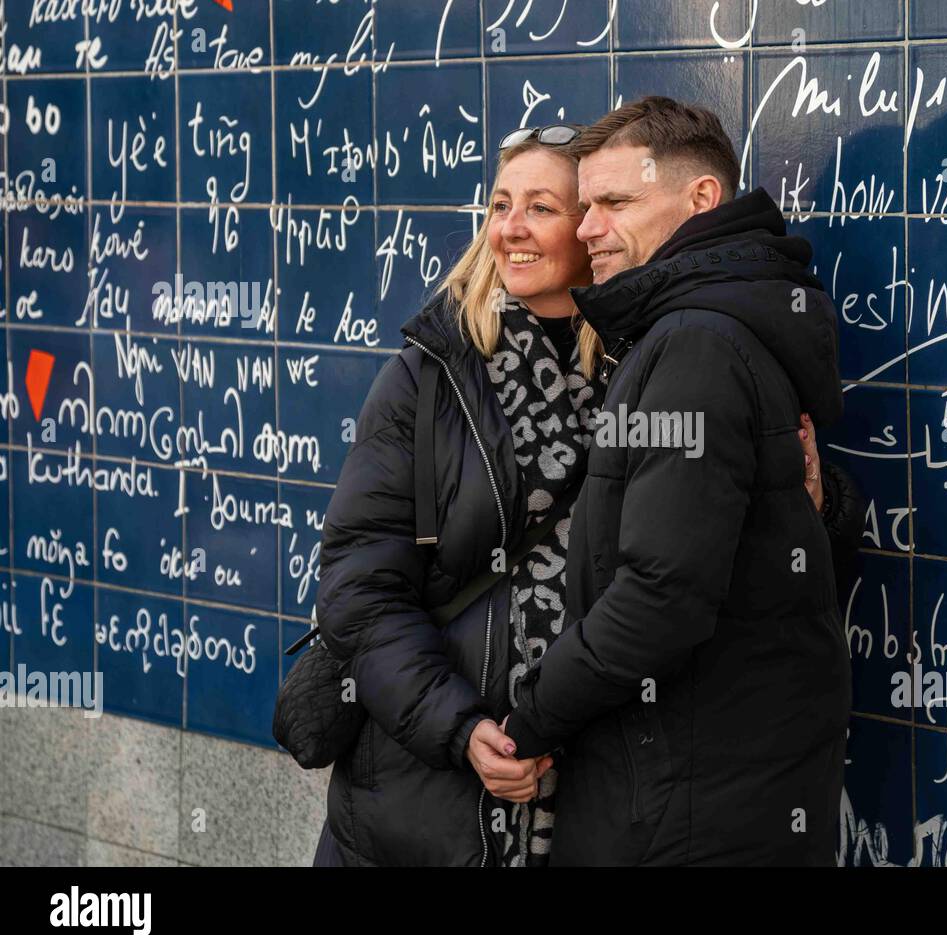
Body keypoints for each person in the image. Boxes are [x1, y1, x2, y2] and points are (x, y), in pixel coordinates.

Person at [308, 118, 862, 866]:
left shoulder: (652, 357)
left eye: (544, 207)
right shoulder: (429, 378)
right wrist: (462, 728)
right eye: (500, 206)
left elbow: (713, 568)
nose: (511, 229)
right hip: (430, 792)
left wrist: (819, 511)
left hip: (601, 788)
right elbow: (357, 584)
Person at [502, 96, 859, 866]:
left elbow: (661, 596)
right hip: (719, 783)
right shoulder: (708, 324)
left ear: (701, 198)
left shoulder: (694, 343)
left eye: (614, 203)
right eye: (586, 204)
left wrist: (531, 720)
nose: (587, 228)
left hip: (688, 800)